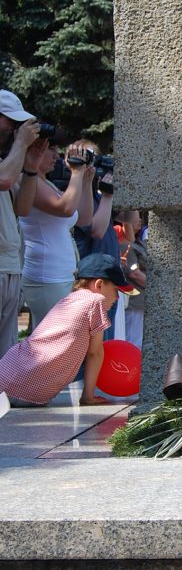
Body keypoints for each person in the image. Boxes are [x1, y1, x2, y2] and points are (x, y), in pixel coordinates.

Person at [0, 254, 137, 408]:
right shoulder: (95, 301)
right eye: (116, 290)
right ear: (99, 284)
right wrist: (88, 397)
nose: (117, 298)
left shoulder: (70, 299)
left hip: (8, 371)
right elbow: (95, 353)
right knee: (101, 353)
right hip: (29, 390)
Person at [19, 142, 95, 329]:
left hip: (62, 275)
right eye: (50, 149)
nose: (56, 155)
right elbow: (66, 208)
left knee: (62, 340)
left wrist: (85, 180)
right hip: (46, 277)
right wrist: (76, 173)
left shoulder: (48, 183)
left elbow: (84, 218)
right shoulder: (29, 181)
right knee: (52, 340)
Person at [0, 89, 46, 357]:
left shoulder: (7, 160)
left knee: (4, 355)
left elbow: (23, 207)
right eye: (11, 123)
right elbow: (4, 180)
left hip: (9, 266)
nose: (16, 130)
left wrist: (31, 167)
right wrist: (20, 144)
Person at [72, 140, 122, 340]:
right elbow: (97, 231)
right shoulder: (77, 198)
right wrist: (109, 194)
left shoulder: (99, 197)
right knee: (93, 345)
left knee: (105, 345)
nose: (90, 168)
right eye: (85, 160)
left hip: (108, 280)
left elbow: (131, 219)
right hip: (93, 283)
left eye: (93, 160)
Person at [116, 209, 147, 350]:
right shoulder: (124, 244)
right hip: (134, 300)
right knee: (132, 341)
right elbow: (134, 273)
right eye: (135, 219)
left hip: (140, 300)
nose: (139, 221)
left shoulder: (136, 242)